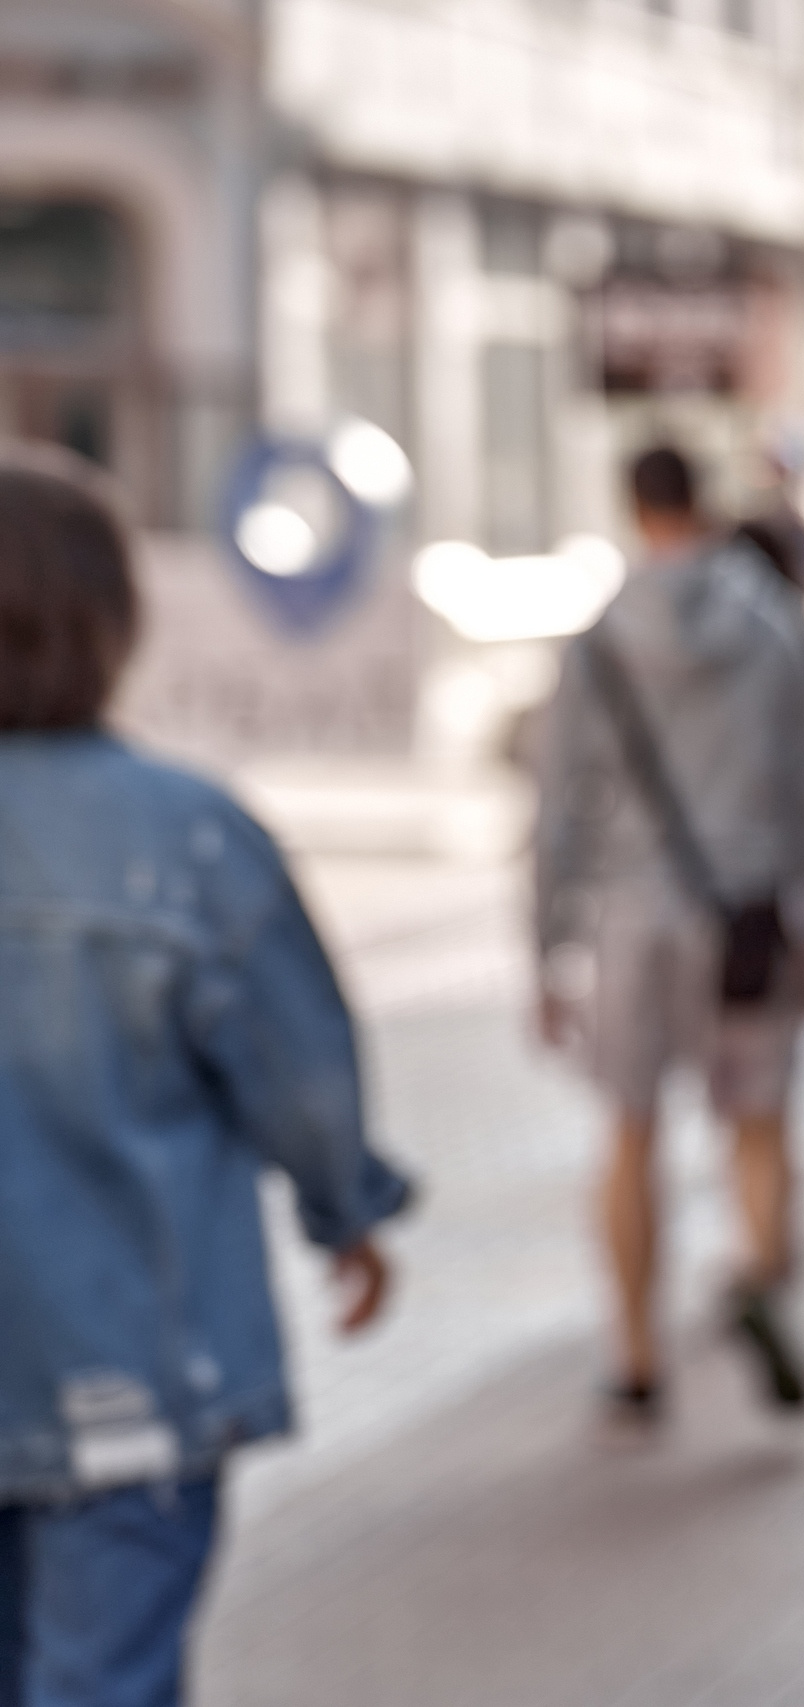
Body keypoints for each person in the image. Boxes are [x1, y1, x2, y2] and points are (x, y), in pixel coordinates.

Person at [0, 454, 410, 1706]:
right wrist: (348, 1212)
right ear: (112, 624)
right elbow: (300, 1069)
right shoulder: (187, 833)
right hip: (128, 1374)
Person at [535, 444, 804, 1426]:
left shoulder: (598, 638)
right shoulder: (772, 624)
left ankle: (634, 1358)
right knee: (757, 1120)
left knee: (629, 1128)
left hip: (633, 914)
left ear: (633, 505)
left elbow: (559, 805)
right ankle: (758, 1278)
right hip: (749, 910)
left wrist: (546, 942)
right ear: (705, 502)